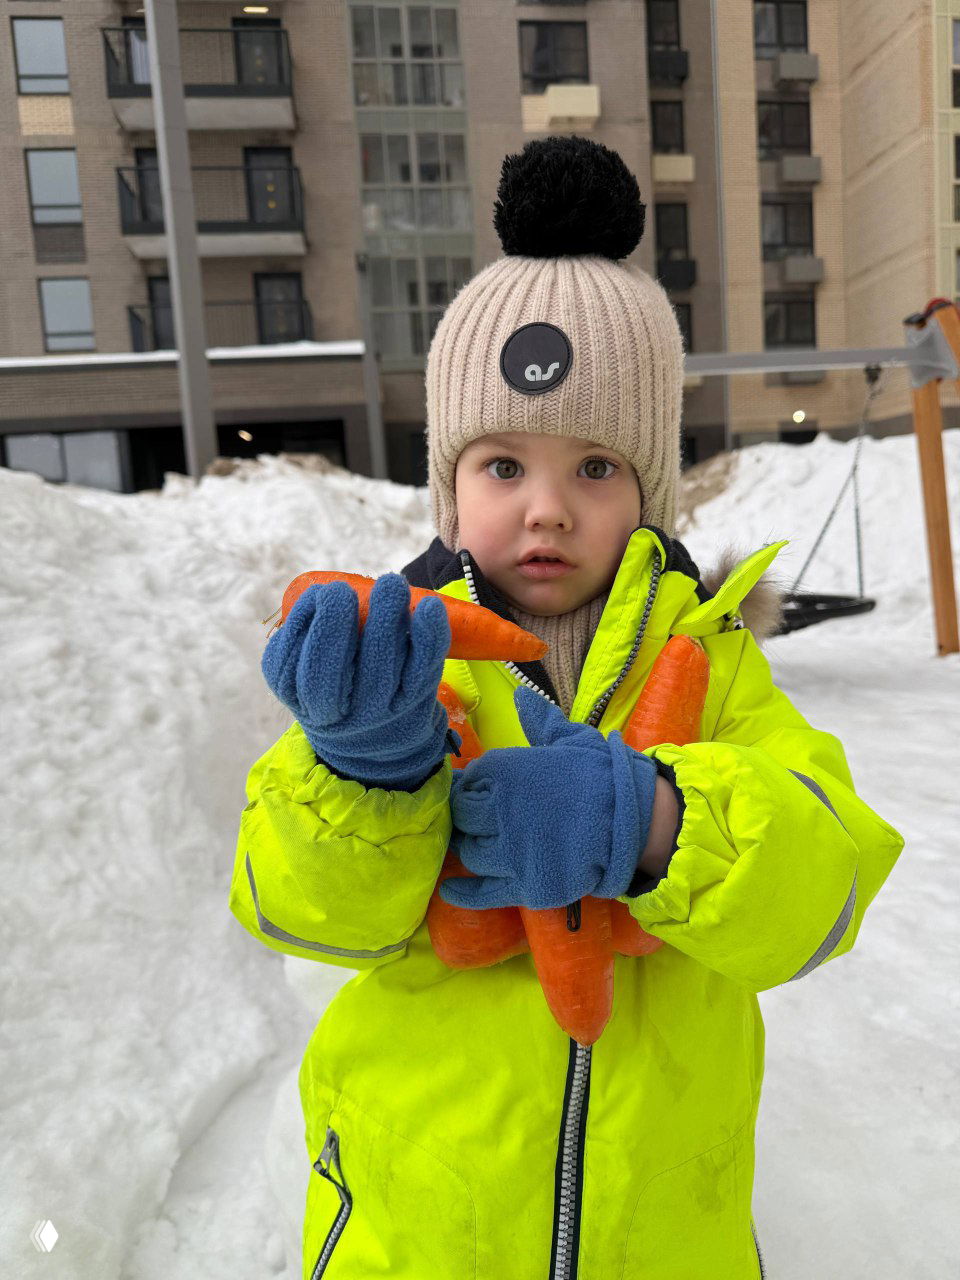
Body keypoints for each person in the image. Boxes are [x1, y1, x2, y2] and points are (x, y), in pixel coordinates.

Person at [230, 137, 905, 1280]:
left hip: (664, 1235)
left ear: (651, 482)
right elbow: (299, 913)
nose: (545, 509)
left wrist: (650, 818)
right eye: (503, 466)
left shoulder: (714, 665)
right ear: (450, 482)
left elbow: (825, 886)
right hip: (419, 1225)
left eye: (595, 467)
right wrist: (365, 768)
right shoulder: (400, 669)